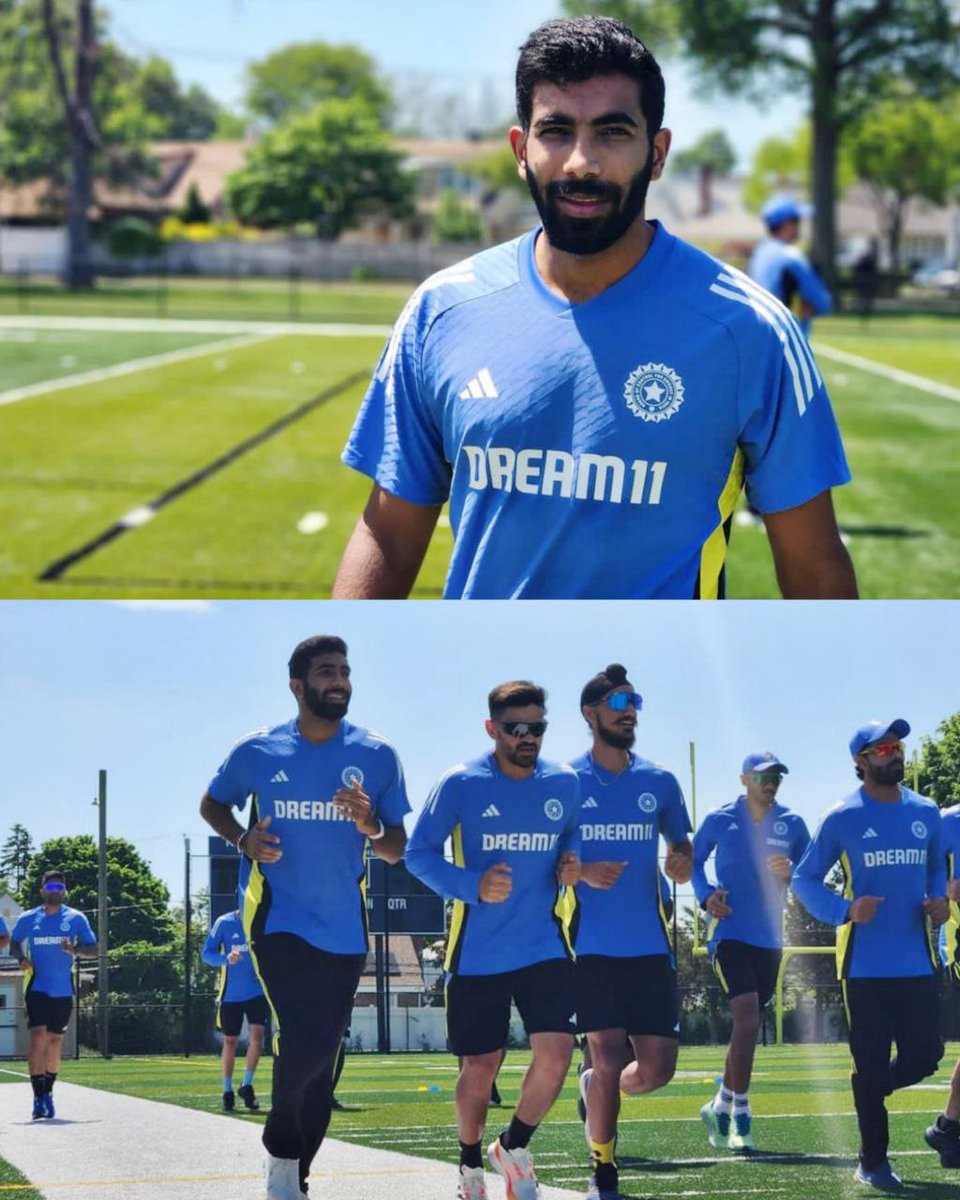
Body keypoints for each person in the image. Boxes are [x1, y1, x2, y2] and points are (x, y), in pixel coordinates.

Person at [334, 16, 856, 601]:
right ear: (520, 150)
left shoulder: (752, 329)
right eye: (556, 130)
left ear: (657, 154)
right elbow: (388, 534)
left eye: (612, 132)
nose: (581, 161)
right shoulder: (441, 309)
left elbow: (813, 565)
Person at [199, 635, 410, 1200]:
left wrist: (371, 827)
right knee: (308, 1036)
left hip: (344, 929)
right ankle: (281, 1155)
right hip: (276, 920)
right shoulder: (258, 751)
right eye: (325, 671)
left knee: (321, 1052)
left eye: (344, 670)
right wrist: (243, 837)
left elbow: (396, 848)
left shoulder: (377, 755)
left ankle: (296, 1170)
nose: (339, 679)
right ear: (297, 685)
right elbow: (211, 803)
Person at [405, 681, 581, 1200]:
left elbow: (570, 835)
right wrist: (470, 885)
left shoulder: (565, 783)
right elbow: (419, 853)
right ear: (492, 729)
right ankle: (468, 1166)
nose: (528, 737)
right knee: (480, 1068)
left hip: (544, 946)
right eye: (516, 729)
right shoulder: (461, 783)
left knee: (556, 1055)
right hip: (478, 949)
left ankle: (515, 1146)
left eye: (538, 728)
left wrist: (570, 863)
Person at [792, 719, 947, 1192]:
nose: (893, 754)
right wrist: (844, 909)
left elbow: (937, 870)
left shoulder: (927, 812)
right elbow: (803, 880)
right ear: (860, 761)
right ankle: (873, 1162)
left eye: (896, 746)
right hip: (864, 966)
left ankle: (870, 1086)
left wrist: (939, 903)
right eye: (881, 749)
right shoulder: (843, 817)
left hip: (919, 961)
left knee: (926, 1055)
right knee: (873, 1058)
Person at [570, 663, 692, 1200]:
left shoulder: (659, 780)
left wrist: (682, 862)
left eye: (634, 702)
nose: (630, 712)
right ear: (591, 713)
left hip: (649, 947)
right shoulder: (563, 782)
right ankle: (603, 1171)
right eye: (619, 703)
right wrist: (580, 873)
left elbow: (681, 845)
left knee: (657, 1070)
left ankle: (594, 1090)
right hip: (591, 947)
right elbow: (545, 861)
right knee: (607, 1053)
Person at [692, 753, 810, 1152]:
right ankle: (741, 1111)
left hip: (770, 939)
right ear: (745, 778)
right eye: (762, 776)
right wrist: (706, 896)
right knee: (746, 1019)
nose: (770, 782)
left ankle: (720, 1103)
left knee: (748, 1025)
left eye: (777, 776)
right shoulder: (720, 818)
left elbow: (813, 871)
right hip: (729, 934)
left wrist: (792, 872)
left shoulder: (792, 823)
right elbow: (693, 861)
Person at [9, 870, 97, 1119]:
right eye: (51, 886)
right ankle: (37, 1097)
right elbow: (15, 942)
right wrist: (22, 958)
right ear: (42, 891)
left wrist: (76, 949)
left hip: (62, 988)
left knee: (54, 1040)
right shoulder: (29, 918)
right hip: (37, 986)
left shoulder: (76, 918)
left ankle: (48, 1092)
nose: (55, 890)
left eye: (59, 886)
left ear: (64, 891)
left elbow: (94, 949)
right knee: (38, 1036)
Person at [202, 907, 268, 1112]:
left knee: (257, 1038)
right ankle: (227, 1090)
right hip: (230, 995)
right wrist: (225, 959)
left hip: (257, 992)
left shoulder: (263, 919)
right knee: (230, 1040)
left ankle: (246, 1085)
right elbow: (207, 953)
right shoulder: (224, 922)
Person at [925, 801, 960, 1168]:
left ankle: (948, 1129)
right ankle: (947, 1130)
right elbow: (924, 875)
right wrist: (946, 891)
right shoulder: (947, 822)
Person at [748, 195, 833, 338]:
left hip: (756, 332)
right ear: (787, 224)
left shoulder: (759, 253)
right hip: (782, 337)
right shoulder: (790, 255)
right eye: (797, 221)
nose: (799, 226)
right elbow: (822, 301)